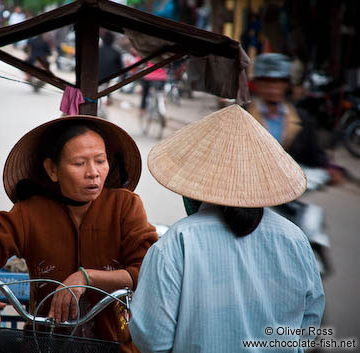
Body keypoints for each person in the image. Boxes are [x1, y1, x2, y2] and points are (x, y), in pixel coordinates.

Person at [0, 115, 158, 353]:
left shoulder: (125, 205)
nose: (93, 172)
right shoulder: (30, 212)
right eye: (79, 164)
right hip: (46, 344)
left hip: (116, 343)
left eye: (100, 161)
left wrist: (85, 278)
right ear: (52, 170)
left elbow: (146, 270)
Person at [129, 105, 325, 353]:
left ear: (193, 184)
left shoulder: (177, 243)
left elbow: (152, 339)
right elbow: (309, 327)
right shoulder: (295, 239)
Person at [248, 52, 344, 184]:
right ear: (257, 84)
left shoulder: (301, 118)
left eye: (277, 82)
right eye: (266, 82)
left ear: (286, 85)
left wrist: (329, 168)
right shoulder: (243, 114)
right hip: (249, 187)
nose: (272, 88)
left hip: (288, 189)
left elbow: (315, 154)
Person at [98, 31, 124, 106]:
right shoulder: (116, 53)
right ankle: (107, 99)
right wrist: (122, 80)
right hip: (109, 79)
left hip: (95, 77)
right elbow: (121, 69)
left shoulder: (97, 50)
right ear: (112, 41)